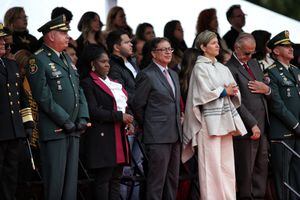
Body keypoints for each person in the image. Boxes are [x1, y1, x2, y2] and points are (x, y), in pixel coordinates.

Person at [26, 15, 89, 200]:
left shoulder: (66, 59)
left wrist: (83, 117)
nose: (68, 36)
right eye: (63, 33)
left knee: (70, 186)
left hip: (73, 129)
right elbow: (43, 97)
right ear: (51, 36)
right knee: (55, 185)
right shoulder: (38, 60)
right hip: (55, 130)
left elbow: (79, 89)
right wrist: (65, 120)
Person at [182, 30, 247, 200]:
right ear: (203, 47)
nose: (217, 45)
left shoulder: (222, 67)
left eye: (217, 42)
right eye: (212, 43)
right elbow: (201, 94)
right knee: (210, 167)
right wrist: (224, 91)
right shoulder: (199, 68)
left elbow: (233, 89)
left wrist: (232, 91)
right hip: (208, 123)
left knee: (226, 165)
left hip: (225, 120)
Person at [80, 45, 133, 199]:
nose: (107, 64)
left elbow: (123, 106)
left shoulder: (114, 82)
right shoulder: (87, 83)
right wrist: (119, 116)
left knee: (116, 179)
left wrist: (129, 119)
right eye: (102, 62)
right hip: (102, 138)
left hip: (119, 136)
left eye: (108, 61)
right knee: (103, 180)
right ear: (92, 64)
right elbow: (93, 111)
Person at [133, 37, 182, 200]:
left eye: (170, 49)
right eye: (164, 49)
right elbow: (138, 105)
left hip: (175, 134)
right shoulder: (147, 75)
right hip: (157, 136)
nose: (168, 52)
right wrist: (149, 125)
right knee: (156, 182)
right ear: (154, 54)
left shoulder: (174, 74)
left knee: (172, 180)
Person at [226, 33, 270, 199]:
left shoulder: (254, 63)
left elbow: (262, 91)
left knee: (261, 167)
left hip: (263, 124)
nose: (250, 56)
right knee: (246, 171)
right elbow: (235, 101)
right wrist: (252, 123)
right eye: (246, 53)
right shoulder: (229, 68)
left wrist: (267, 89)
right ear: (236, 48)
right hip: (246, 127)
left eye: (252, 52)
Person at [0, 23, 34, 200]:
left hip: (14, 132)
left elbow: (22, 99)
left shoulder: (11, 65)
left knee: (11, 177)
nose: (3, 42)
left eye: (3, 39)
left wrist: (27, 123)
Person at [266, 30, 300, 200]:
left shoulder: (295, 70)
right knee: (284, 180)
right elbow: (276, 104)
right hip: (284, 133)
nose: (290, 48)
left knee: (297, 176)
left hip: (298, 132)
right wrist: (296, 125)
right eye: (285, 46)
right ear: (276, 51)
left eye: (291, 45)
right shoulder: (271, 72)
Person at [106, 29, 139, 109]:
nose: (131, 44)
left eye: (130, 42)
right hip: (132, 112)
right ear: (116, 47)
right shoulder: (113, 67)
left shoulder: (132, 61)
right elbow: (122, 94)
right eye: (126, 42)